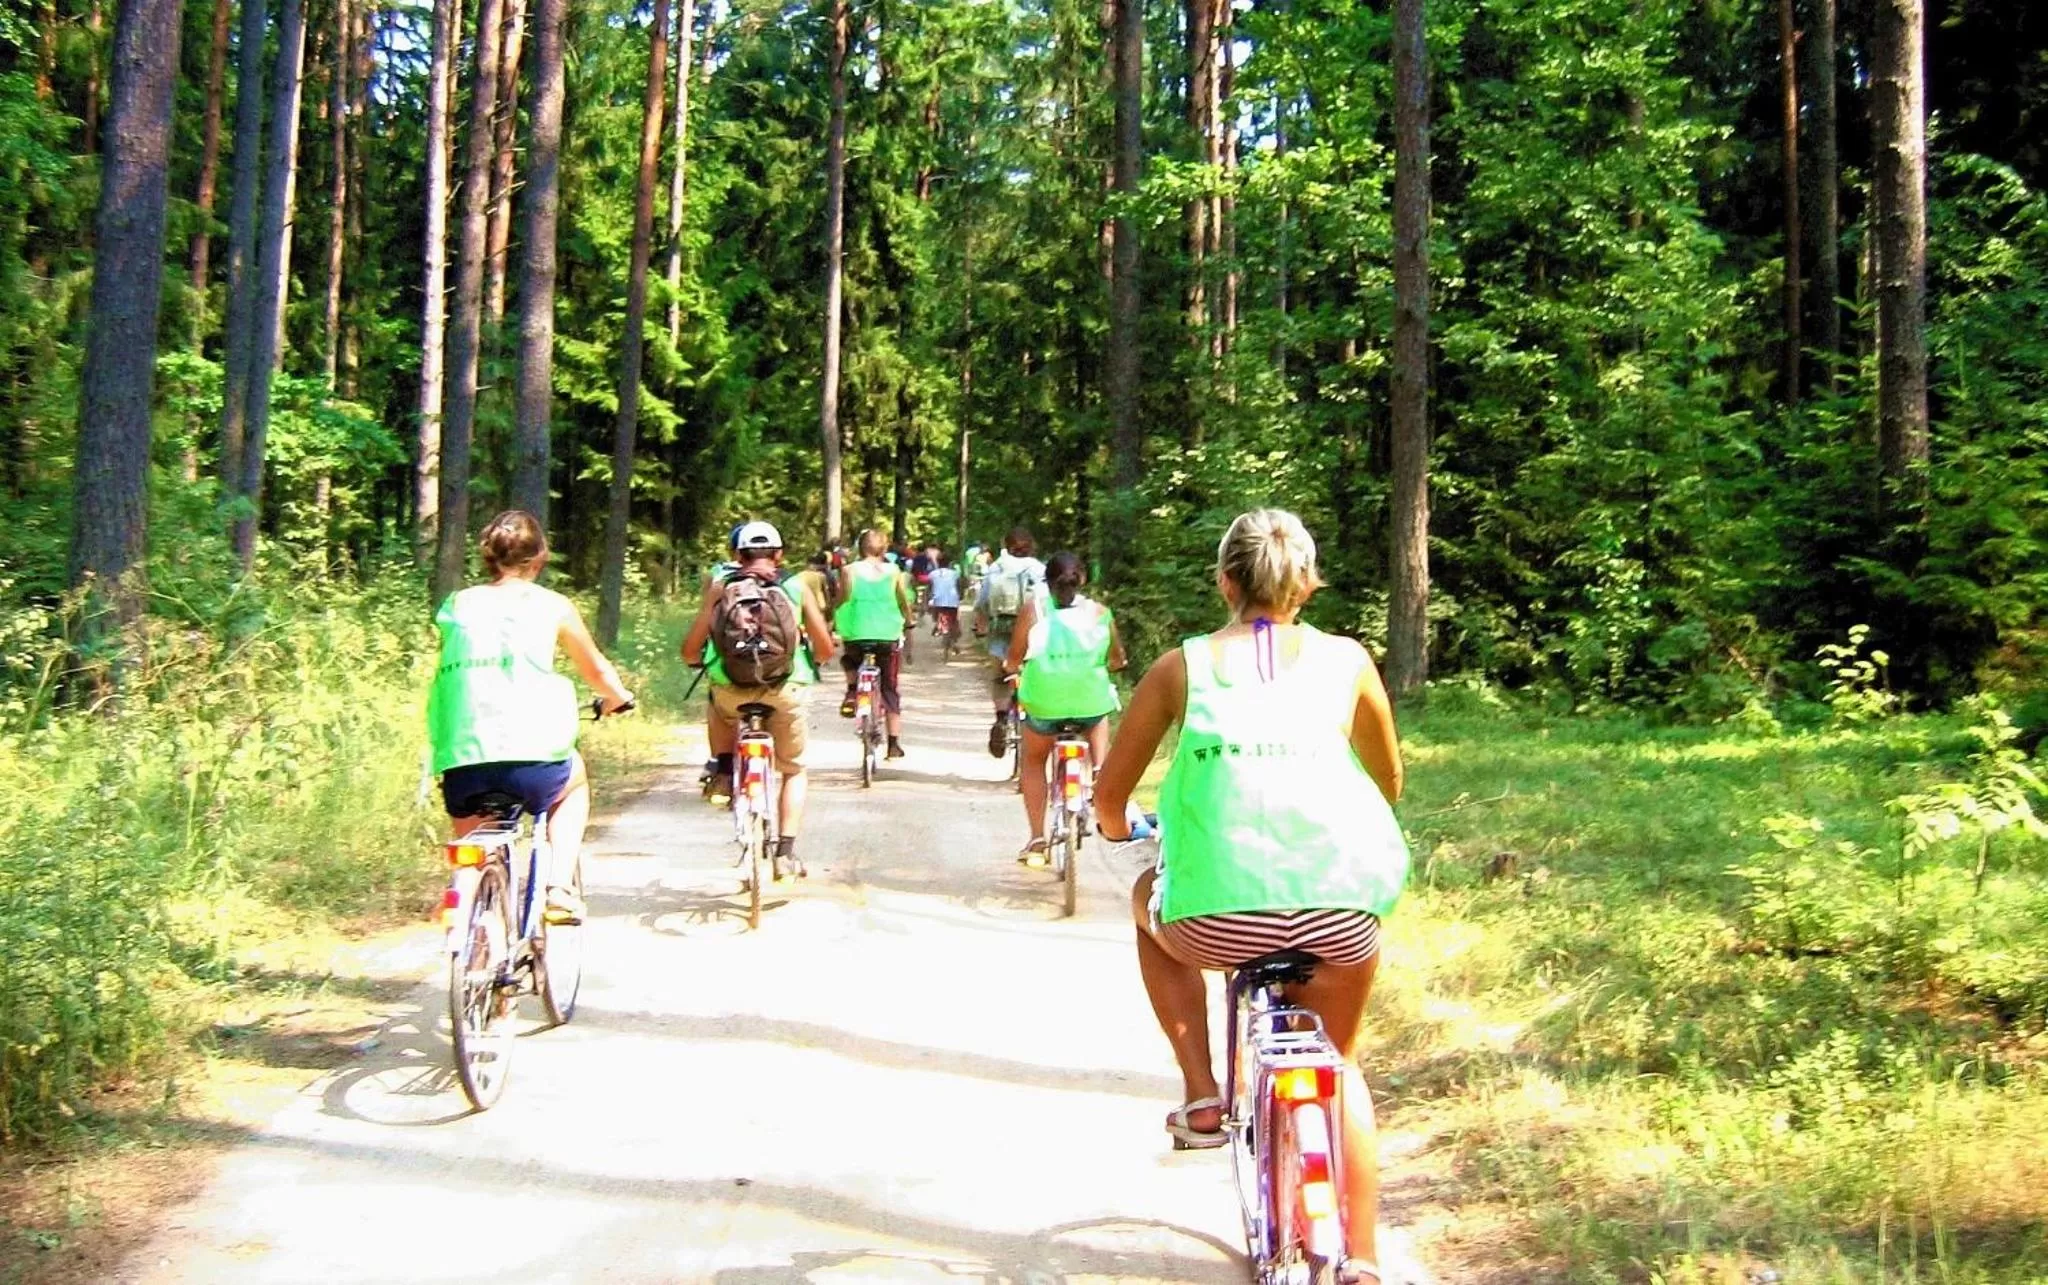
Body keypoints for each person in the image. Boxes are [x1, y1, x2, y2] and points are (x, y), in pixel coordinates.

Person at [1092, 508, 1408, 1283]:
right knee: (1339, 1067)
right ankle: (1362, 1257)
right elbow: (1389, 781)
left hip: (1213, 921)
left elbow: (1110, 798)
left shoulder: (1180, 667)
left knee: (1144, 902)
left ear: (1225, 581)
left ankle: (1203, 1091)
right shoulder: (1349, 661)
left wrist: (1120, 825)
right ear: (1307, 584)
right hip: (1341, 912)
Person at [427, 510, 635, 926]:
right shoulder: (553, 606)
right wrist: (618, 697)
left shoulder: (457, 605)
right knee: (573, 783)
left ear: (488, 558)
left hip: (461, 758)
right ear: (539, 559)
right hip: (536, 762)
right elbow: (595, 671)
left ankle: (462, 895)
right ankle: (559, 888)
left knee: (473, 842)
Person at [682, 521, 836, 878]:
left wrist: (710, 605)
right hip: (784, 691)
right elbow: (825, 649)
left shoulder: (722, 589)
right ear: (779, 555)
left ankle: (722, 768)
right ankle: (785, 851)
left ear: (736, 555)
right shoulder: (796, 588)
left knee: (718, 705)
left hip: (732, 690)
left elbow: (690, 653)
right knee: (794, 770)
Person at [1003, 551, 1126, 864]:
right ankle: (1099, 773)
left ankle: (1036, 838)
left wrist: (1013, 667)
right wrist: (1113, 664)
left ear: (1047, 580)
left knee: (1033, 762)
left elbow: (1015, 656)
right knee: (1098, 714)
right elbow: (1116, 659)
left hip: (1043, 706)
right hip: (1088, 706)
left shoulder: (1036, 610)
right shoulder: (1100, 612)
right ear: (1083, 579)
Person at [835, 529, 915, 758]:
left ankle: (852, 691)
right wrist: (908, 621)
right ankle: (893, 743)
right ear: (884, 548)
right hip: (887, 635)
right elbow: (902, 600)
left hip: (856, 632)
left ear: (860, 547)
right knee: (890, 687)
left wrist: (832, 615)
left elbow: (842, 598)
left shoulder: (849, 570)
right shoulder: (893, 571)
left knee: (849, 660)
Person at [974, 526, 1047, 757]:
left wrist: (981, 626)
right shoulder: (1039, 569)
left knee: (1000, 679)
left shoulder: (997, 568)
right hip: (1032, 633)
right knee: (1033, 677)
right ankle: (1034, 719)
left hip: (1002, 631)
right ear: (1031, 546)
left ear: (1006, 546)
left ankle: (1002, 718)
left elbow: (983, 603)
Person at [927, 550, 963, 651]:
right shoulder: (955, 574)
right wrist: (961, 596)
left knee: (936, 612)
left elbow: (930, 589)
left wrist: (927, 600)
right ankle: (954, 638)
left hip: (938, 602)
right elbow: (959, 587)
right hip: (952, 601)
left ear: (937, 562)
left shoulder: (933, 574)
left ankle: (938, 624)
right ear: (950, 563)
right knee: (954, 620)